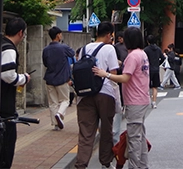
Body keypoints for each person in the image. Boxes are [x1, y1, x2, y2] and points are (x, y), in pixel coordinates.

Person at [94, 27, 151, 169]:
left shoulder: (132, 56)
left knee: (134, 137)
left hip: (134, 101)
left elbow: (125, 78)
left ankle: (134, 166)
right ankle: (143, 165)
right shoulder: (142, 54)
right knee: (140, 135)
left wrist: (105, 74)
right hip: (143, 99)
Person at [74, 21, 119, 169]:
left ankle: (81, 164)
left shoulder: (84, 49)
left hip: (84, 95)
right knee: (106, 130)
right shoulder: (109, 49)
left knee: (86, 132)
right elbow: (113, 74)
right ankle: (106, 162)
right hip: (105, 93)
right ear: (108, 35)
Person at [0, 17, 31, 168]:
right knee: (5, 149)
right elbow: (7, 75)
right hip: (4, 109)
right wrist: (23, 78)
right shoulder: (9, 49)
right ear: (20, 33)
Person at [43, 26, 75, 129]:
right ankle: (59, 114)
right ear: (58, 35)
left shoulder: (46, 49)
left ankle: (55, 124)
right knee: (65, 100)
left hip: (49, 79)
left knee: (53, 103)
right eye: (60, 34)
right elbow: (72, 53)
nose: (61, 36)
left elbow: (45, 63)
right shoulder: (63, 47)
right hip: (62, 79)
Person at [144, 34, 164, 108]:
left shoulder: (146, 50)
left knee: (146, 86)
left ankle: (147, 101)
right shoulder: (158, 49)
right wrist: (158, 64)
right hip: (156, 69)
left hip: (148, 70)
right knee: (155, 87)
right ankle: (154, 102)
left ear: (147, 41)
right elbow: (163, 58)